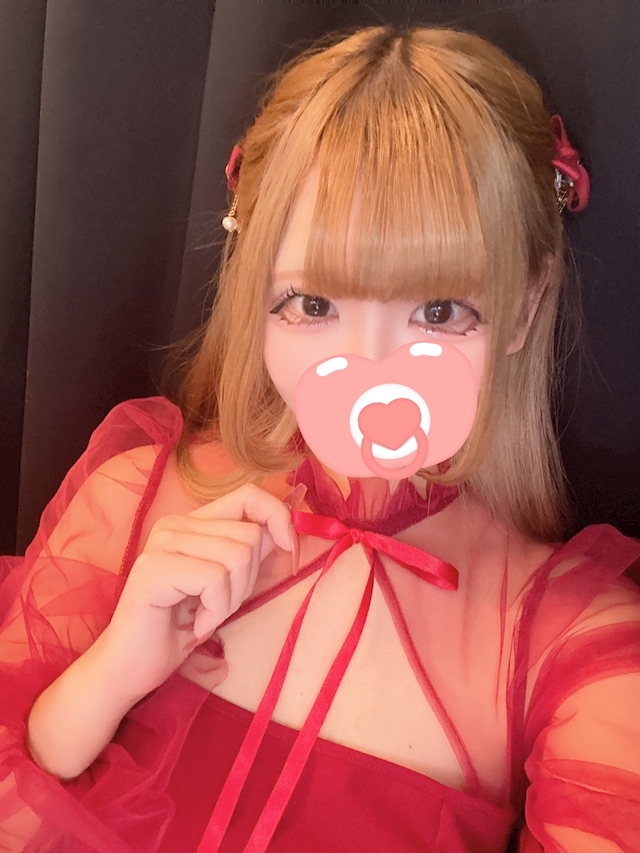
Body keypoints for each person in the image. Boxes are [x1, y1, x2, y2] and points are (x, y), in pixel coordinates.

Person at [0, 25, 639, 853]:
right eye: (312, 304)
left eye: (439, 310)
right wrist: (111, 673)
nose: (369, 370)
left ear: (522, 307)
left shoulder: (575, 646)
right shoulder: (133, 501)